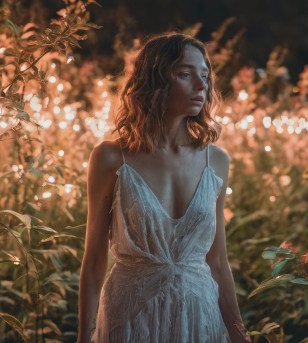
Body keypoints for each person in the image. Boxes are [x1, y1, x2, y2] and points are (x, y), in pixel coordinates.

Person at [78, 32, 250, 343]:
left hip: (199, 318)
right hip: (129, 318)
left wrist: (239, 334)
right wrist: (81, 337)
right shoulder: (110, 158)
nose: (201, 86)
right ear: (154, 80)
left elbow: (218, 261)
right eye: (185, 74)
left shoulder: (216, 162)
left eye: (205, 75)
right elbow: (93, 259)